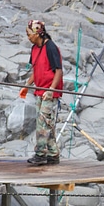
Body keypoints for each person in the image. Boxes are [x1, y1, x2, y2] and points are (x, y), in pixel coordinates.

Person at [23, 19, 63, 166]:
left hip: (49, 92)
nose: (28, 37)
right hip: (39, 91)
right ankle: (53, 153)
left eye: (29, 34)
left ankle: (40, 154)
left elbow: (58, 70)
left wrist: (52, 90)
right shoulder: (34, 48)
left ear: (38, 33)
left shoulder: (50, 47)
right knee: (47, 123)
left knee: (42, 123)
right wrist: (27, 85)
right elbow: (36, 70)